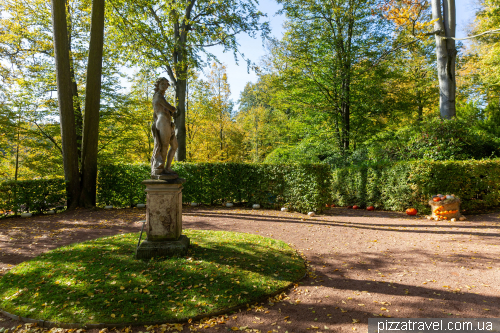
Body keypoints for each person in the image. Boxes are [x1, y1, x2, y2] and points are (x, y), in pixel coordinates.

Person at [150, 77, 178, 177]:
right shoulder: (158, 96)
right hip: (162, 122)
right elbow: (171, 108)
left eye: (166, 84)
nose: (165, 86)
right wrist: (172, 109)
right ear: (158, 85)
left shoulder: (161, 96)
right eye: (162, 84)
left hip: (167, 122)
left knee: (174, 145)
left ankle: (167, 168)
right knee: (164, 145)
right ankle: (159, 168)